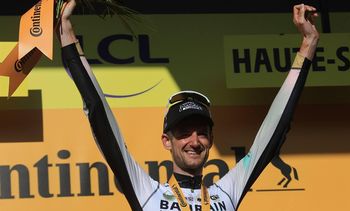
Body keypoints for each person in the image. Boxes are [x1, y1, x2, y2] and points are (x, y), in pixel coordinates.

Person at [57, 1, 319, 210]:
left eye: (202, 132)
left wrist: (308, 44)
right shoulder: (147, 193)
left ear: (211, 139)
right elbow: (100, 115)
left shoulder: (226, 193)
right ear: (166, 141)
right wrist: (66, 32)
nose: (194, 140)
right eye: (183, 132)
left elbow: (275, 128)